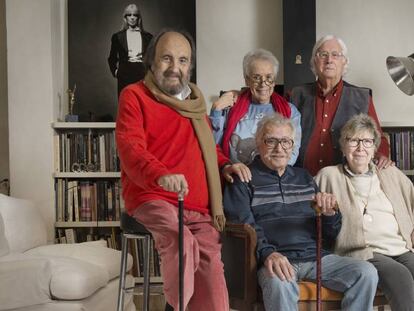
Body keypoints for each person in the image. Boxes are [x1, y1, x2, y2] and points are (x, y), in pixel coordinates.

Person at [116, 29, 251, 311]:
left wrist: (225, 164)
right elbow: (131, 149)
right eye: (166, 58)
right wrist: (161, 174)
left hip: (197, 207)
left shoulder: (194, 103)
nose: (175, 67)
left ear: (189, 66)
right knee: (181, 239)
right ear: (151, 61)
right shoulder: (134, 96)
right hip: (152, 198)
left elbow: (205, 148)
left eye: (182, 60)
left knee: (211, 268)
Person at [223, 113, 379, 311]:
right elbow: (244, 225)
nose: (279, 149)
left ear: (293, 146)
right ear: (258, 142)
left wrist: (330, 214)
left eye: (286, 142)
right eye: (271, 141)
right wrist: (269, 253)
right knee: (279, 284)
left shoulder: (303, 176)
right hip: (274, 259)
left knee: (366, 272)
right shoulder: (244, 178)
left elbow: (329, 234)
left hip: (315, 257)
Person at [315, 114, 414, 311]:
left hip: (401, 247)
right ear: (343, 147)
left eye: (367, 141)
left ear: (374, 148)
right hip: (362, 251)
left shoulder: (390, 173)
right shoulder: (329, 175)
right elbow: (312, 214)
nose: (361, 148)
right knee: (400, 276)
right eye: (353, 141)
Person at [290, 35, 392, 176]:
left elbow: (377, 137)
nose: (329, 60)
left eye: (335, 55)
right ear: (314, 61)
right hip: (302, 178)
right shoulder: (296, 95)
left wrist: (380, 155)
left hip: (345, 180)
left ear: (344, 62)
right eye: (323, 54)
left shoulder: (362, 97)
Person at [209, 48, 301, 166]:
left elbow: (292, 153)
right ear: (247, 80)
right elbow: (214, 147)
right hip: (236, 177)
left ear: (274, 80)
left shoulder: (290, 111)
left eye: (269, 77)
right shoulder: (230, 108)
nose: (263, 83)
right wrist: (216, 111)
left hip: (273, 179)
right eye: (256, 77)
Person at [108, 4, 153, 97]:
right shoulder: (117, 37)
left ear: (138, 17)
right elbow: (112, 58)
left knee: (142, 103)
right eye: (129, 15)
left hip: (142, 74)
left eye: (135, 15)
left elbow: (153, 58)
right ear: (125, 18)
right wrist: (117, 72)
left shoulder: (148, 37)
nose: (132, 18)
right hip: (125, 74)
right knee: (126, 103)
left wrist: (150, 75)